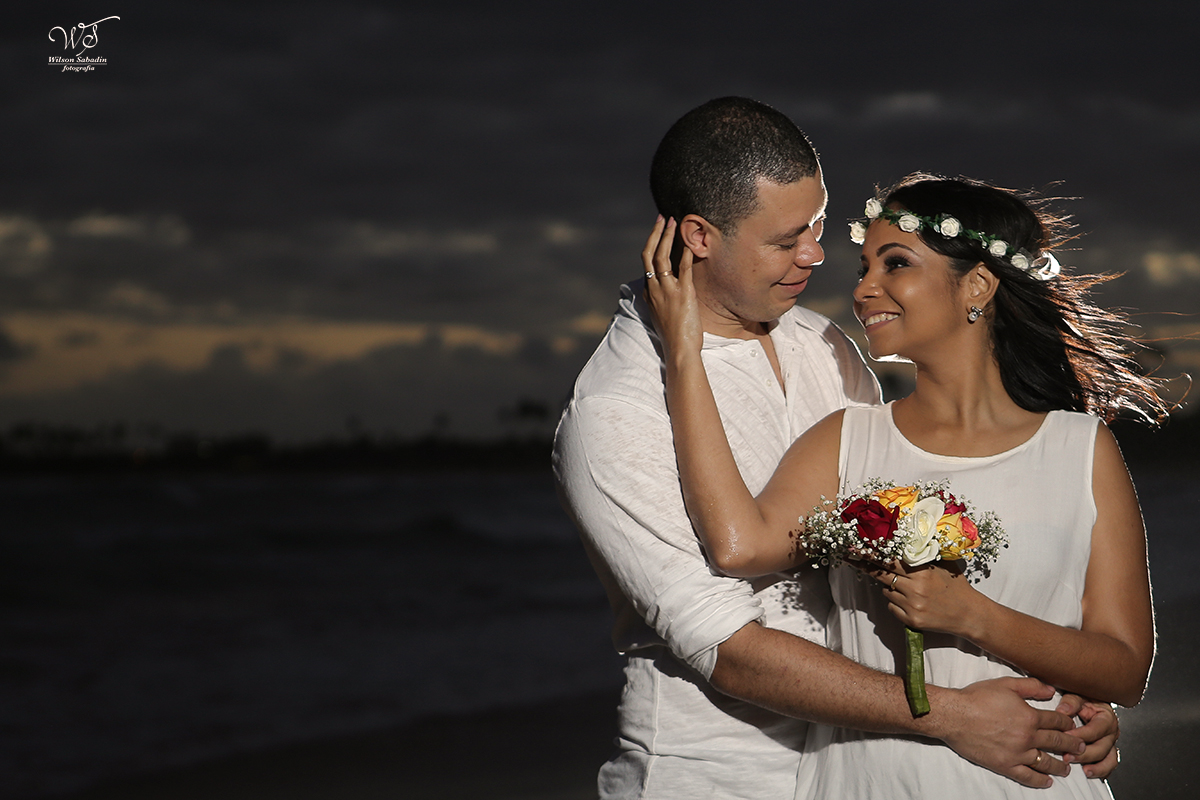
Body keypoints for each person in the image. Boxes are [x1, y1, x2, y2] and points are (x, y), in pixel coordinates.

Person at [553, 97, 1118, 800]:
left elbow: (914, 546)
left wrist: (1055, 704)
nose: (816, 256)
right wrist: (956, 715)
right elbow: (729, 652)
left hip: (873, 763)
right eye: (787, 239)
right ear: (699, 235)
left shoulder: (826, 348)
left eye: (819, 226)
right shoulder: (617, 408)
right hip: (718, 778)